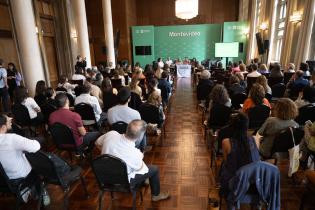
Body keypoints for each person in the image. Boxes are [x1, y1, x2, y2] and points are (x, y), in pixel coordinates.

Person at [95, 119, 170, 202]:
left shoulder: (111, 134)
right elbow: (141, 169)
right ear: (140, 136)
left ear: (127, 128)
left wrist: (108, 153)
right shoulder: (136, 154)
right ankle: (156, 195)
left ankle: (145, 180)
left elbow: (97, 143)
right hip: (122, 182)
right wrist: (141, 155)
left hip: (104, 177)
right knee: (154, 169)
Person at [0, 114, 49, 204]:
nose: (11, 120)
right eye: (8, 120)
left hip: (3, 181)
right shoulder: (12, 138)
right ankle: (40, 192)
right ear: (3, 127)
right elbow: (35, 147)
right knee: (39, 162)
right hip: (21, 178)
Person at [220, 112, 260, 196]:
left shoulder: (226, 142)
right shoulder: (255, 140)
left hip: (234, 183)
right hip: (253, 182)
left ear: (231, 127)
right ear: (247, 126)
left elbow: (226, 162)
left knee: (223, 166)